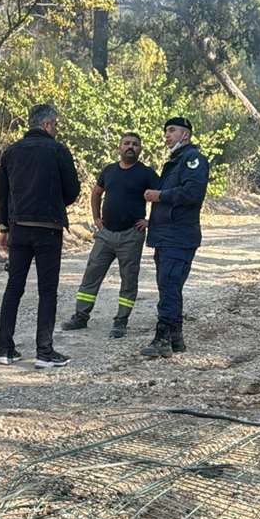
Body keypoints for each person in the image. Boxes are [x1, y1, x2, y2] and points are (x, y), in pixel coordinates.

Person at [0, 103, 80, 368]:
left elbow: (2, 193)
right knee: (47, 291)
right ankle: (44, 352)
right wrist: (54, 201)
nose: (56, 129)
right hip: (48, 228)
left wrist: (4, 227)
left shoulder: (11, 152)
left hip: (18, 228)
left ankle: (5, 350)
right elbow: (73, 191)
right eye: (56, 124)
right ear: (48, 124)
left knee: (14, 288)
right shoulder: (58, 150)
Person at [61, 132, 159, 338]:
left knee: (128, 280)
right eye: (126, 143)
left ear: (140, 149)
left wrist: (151, 221)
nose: (130, 147)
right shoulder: (109, 170)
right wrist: (96, 219)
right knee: (91, 276)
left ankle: (121, 321)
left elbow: (162, 197)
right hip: (105, 235)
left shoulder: (147, 173)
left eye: (135, 144)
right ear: (119, 148)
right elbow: (96, 193)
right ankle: (80, 317)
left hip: (131, 235)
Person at [141, 117, 211, 358]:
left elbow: (192, 193)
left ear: (185, 135)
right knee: (170, 287)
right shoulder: (174, 162)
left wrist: (159, 196)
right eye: (166, 131)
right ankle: (176, 338)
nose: (167, 135)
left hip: (178, 237)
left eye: (172, 130)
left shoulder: (193, 160)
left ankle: (162, 339)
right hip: (166, 234)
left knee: (169, 286)